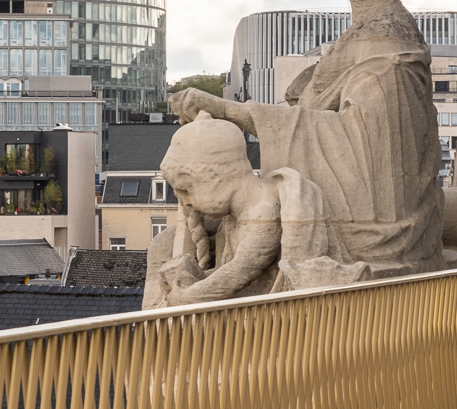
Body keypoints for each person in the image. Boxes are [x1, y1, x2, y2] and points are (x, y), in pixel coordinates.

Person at [171, 0, 452, 277]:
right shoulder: (365, 36)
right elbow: (323, 125)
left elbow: (364, 152)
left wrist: (230, 111)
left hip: (378, 233)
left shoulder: (388, 47)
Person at [143, 114, 366, 306]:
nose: (185, 202)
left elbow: (240, 271)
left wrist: (187, 297)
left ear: (215, 178)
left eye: (186, 190)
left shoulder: (265, 210)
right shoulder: (232, 219)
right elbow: (228, 271)